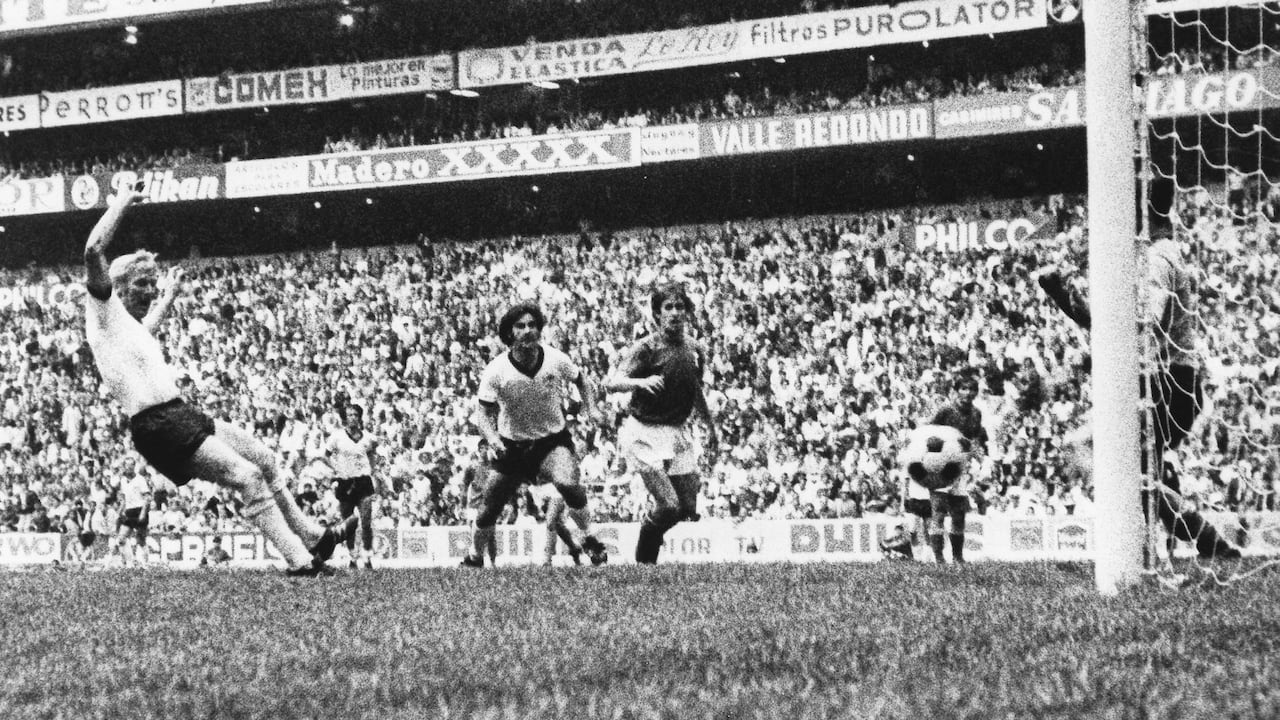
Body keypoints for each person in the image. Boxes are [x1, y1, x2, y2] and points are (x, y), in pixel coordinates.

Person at [82, 186, 352, 577]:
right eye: (141, 284)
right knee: (247, 477)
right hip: (157, 425)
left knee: (263, 458)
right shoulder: (103, 312)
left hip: (179, 413)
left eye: (152, 284)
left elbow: (146, 331)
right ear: (116, 286)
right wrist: (123, 200)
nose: (149, 291)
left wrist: (168, 298)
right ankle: (299, 560)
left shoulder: (129, 329)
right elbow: (93, 250)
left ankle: (314, 537)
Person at [1038, 233, 1240, 561]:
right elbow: (1111, 326)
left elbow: (1145, 323)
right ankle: (1197, 542)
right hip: (1164, 381)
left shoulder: (1157, 258)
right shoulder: (1149, 259)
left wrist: (1067, 296)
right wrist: (1063, 295)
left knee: (1094, 452)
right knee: (1142, 480)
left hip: (1168, 382)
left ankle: (1187, 540)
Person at [460, 303, 608, 568]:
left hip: (551, 441)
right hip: (512, 446)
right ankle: (474, 557)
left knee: (568, 483)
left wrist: (592, 408)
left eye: (532, 325)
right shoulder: (496, 370)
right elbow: (483, 413)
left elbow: (581, 379)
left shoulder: (555, 359)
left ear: (540, 329)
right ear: (510, 333)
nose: (528, 330)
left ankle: (589, 537)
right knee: (489, 508)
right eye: (520, 326)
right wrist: (493, 439)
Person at [604, 284, 719, 564]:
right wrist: (640, 382)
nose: (675, 313)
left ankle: (651, 538)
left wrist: (710, 426)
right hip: (644, 432)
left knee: (687, 507)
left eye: (680, 307)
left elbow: (695, 390)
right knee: (668, 505)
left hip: (676, 431)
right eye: (669, 307)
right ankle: (645, 563)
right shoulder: (646, 348)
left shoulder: (695, 349)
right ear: (657, 314)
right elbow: (612, 383)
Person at [926, 375, 989, 564]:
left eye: (971, 389)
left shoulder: (976, 413)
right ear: (956, 390)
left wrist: (977, 456)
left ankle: (958, 557)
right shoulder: (945, 410)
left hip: (961, 467)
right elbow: (928, 432)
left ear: (976, 392)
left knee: (959, 513)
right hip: (941, 466)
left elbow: (974, 439)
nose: (967, 393)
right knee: (938, 511)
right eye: (963, 388)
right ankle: (939, 558)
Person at [321, 408, 378, 569]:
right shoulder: (337, 436)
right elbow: (326, 455)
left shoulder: (368, 437)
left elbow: (372, 454)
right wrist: (336, 469)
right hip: (345, 482)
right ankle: (353, 557)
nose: (353, 417)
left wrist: (371, 469)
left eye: (355, 415)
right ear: (346, 418)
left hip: (363, 482)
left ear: (360, 418)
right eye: (350, 415)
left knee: (366, 522)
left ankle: (367, 557)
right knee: (349, 523)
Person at [113, 464, 152, 568]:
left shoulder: (140, 479)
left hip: (139, 510)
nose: (127, 469)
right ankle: (127, 562)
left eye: (130, 467)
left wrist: (143, 512)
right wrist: (121, 510)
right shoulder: (123, 480)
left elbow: (147, 497)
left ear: (133, 467)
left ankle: (145, 564)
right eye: (126, 467)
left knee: (141, 540)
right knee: (121, 538)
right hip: (129, 511)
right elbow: (124, 497)